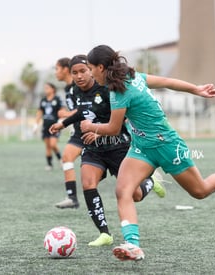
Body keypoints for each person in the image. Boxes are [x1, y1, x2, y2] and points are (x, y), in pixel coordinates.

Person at [80, 45, 215, 261]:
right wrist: (195, 89)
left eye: (90, 68)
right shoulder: (133, 77)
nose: (90, 73)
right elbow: (168, 82)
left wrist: (90, 127)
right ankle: (133, 246)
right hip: (142, 148)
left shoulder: (120, 91)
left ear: (101, 67)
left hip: (168, 146)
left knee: (200, 191)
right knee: (123, 191)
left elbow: (113, 128)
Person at [50, 54, 166, 247]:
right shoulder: (76, 91)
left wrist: (99, 132)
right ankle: (105, 233)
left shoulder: (106, 89)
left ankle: (150, 181)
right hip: (93, 149)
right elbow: (82, 111)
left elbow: (120, 121)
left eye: (83, 71)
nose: (79, 76)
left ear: (91, 70)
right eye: (74, 73)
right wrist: (63, 123)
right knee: (88, 183)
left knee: (135, 195)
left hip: (117, 147)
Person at [53, 57, 84, 209]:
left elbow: (84, 108)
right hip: (79, 132)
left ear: (65, 69)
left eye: (57, 69)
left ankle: (147, 179)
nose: (55, 73)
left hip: (92, 130)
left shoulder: (78, 86)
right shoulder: (67, 88)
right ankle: (72, 198)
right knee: (66, 157)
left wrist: (65, 115)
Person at [35, 82, 62, 171]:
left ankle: (60, 159)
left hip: (55, 126)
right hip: (45, 126)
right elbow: (39, 113)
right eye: (45, 88)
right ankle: (49, 164)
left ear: (53, 89)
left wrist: (60, 122)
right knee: (48, 146)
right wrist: (36, 125)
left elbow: (62, 111)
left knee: (53, 144)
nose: (45, 89)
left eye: (47, 88)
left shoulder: (57, 99)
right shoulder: (43, 100)